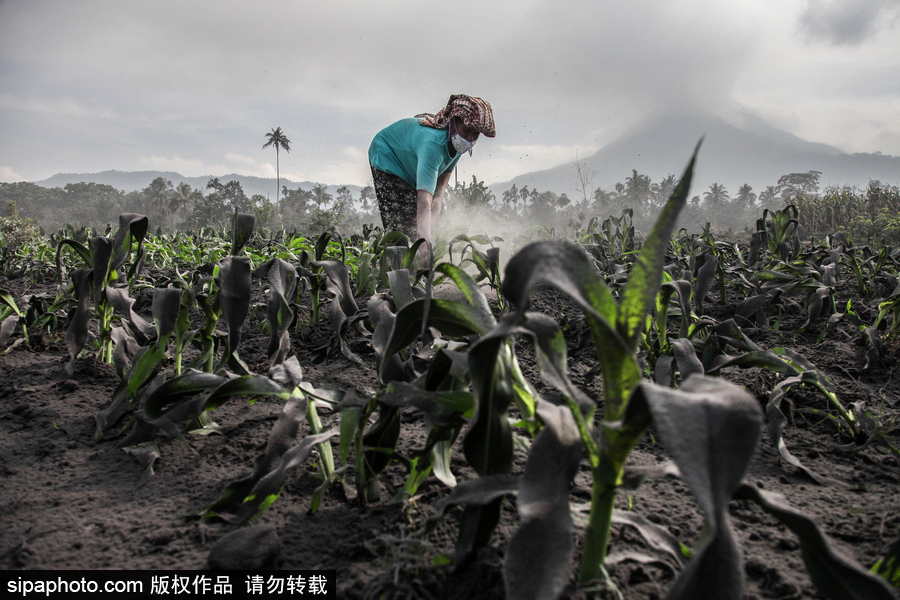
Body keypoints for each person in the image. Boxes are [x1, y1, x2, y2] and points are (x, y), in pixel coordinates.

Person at [368, 94, 495, 255]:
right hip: (387, 155)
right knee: (404, 227)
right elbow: (424, 201)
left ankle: (422, 265)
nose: (469, 138)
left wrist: (439, 198)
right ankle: (398, 272)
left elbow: (445, 173)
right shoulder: (433, 144)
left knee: (433, 216)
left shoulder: (457, 144)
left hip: (410, 166)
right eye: (467, 130)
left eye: (475, 135)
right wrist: (424, 249)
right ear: (453, 122)